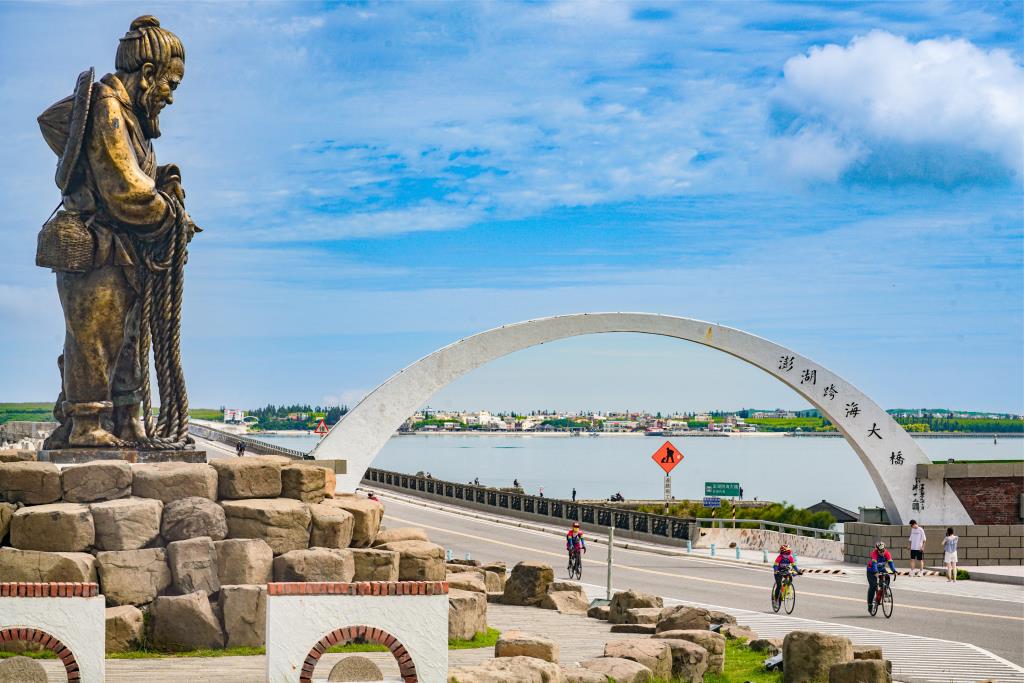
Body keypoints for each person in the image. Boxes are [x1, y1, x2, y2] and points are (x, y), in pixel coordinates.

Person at [866, 541, 896, 611]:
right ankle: (870, 604)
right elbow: (874, 564)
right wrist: (876, 572)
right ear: (877, 550)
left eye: (883, 551)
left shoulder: (887, 553)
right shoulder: (874, 553)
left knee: (887, 576)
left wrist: (894, 571)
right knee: (873, 586)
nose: (882, 553)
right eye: (880, 551)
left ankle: (883, 589)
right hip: (871, 570)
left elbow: (890, 563)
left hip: (881, 569)